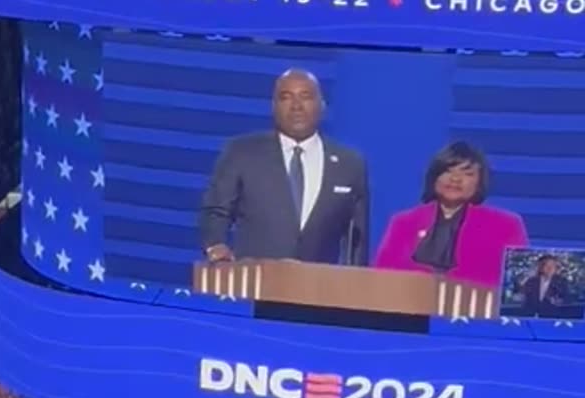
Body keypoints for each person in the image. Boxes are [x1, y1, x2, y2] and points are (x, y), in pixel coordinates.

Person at [200, 68, 369, 266]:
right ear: (274, 106)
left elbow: (358, 238)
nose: (296, 106)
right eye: (286, 97)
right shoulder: (242, 152)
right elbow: (217, 210)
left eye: (306, 97)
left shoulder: (350, 164)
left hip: (319, 289)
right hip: (256, 286)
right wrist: (216, 246)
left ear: (322, 105)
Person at [373, 141, 528, 289]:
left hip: (475, 313)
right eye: (448, 171)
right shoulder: (404, 222)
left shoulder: (505, 225)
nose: (455, 179)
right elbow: (384, 272)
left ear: (479, 183)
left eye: (467, 173)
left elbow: (514, 285)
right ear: (434, 177)